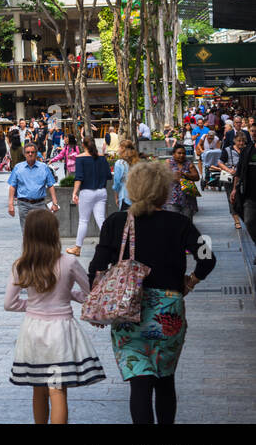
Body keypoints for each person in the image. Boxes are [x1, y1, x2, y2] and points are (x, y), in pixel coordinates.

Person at [89, 160, 215, 424]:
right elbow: (207, 258)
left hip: (127, 313)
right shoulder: (179, 223)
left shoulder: (115, 222)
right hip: (168, 312)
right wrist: (190, 281)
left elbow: (97, 267)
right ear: (162, 190)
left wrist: (101, 305)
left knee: (140, 382)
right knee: (165, 379)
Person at [6, 209, 105, 423]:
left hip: (33, 331)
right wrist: (68, 296)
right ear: (54, 233)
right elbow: (90, 294)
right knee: (57, 388)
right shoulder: (69, 262)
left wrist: (32, 305)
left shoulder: (21, 265)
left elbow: (10, 303)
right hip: (61, 331)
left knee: (38, 389)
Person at [67, 135, 111, 257]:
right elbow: (108, 175)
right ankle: (111, 245)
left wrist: (74, 192)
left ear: (83, 145)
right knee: (101, 220)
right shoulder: (102, 157)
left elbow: (79, 177)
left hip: (87, 192)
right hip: (101, 191)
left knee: (83, 221)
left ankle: (77, 248)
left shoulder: (80, 158)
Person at [7, 144, 59, 230]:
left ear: (36, 154)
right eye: (28, 152)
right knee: (26, 232)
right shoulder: (18, 168)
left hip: (40, 204)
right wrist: (10, 204)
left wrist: (55, 203)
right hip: (24, 205)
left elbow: (50, 185)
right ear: (24, 154)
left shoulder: (44, 167)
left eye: (32, 152)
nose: (30, 154)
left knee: (40, 231)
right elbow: (12, 186)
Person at [165, 143, 199, 219]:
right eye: (179, 153)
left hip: (187, 197)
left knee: (187, 221)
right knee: (173, 221)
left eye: (183, 153)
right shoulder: (168, 163)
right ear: (173, 154)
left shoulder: (189, 164)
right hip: (172, 198)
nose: (181, 155)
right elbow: (164, 175)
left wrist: (185, 174)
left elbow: (197, 177)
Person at [111, 138, 139, 212]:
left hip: (125, 196)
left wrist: (116, 197)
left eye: (119, 147)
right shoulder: (137, 162)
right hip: (137, 197)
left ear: (123, 149)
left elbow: (117, 182)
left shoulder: (119, 163)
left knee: (126, 221)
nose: (118, 149)